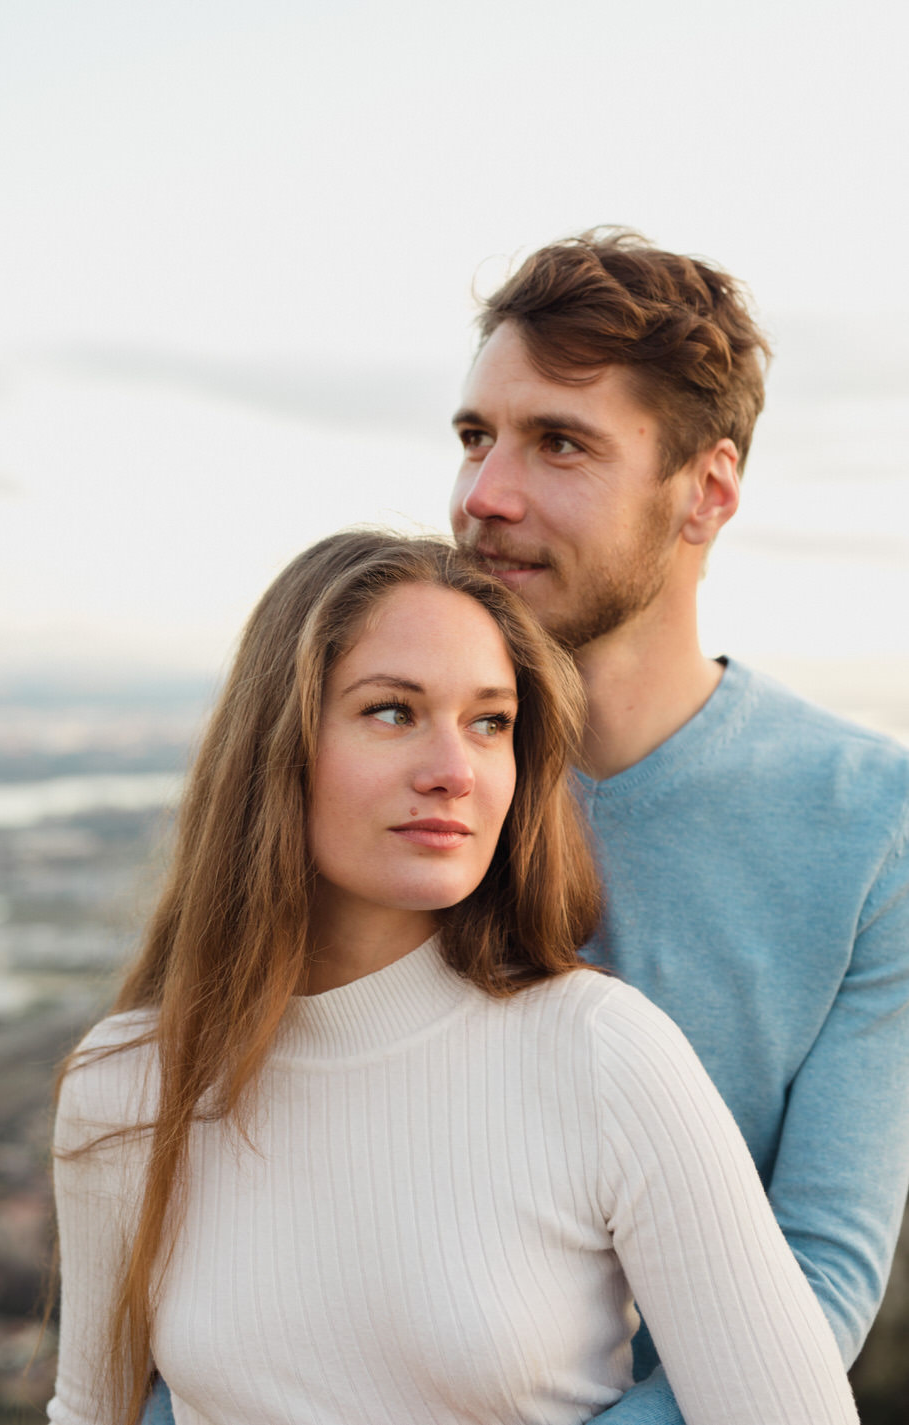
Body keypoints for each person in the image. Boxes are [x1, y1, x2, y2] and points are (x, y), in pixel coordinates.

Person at [49, 531, 858, 1425]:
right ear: (276, 743)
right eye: (393, 711)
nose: (453, 772)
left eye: (489, 722)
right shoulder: (128, 1084)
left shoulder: (602, 1054)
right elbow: (92, 1410)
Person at [449, 228, 909, 1420]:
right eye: (474, 436)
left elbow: (815, 1280)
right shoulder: (400, 784)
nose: (482, 496)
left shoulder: (873, 823)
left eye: (558, 442)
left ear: (704, 492)